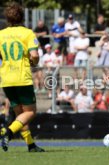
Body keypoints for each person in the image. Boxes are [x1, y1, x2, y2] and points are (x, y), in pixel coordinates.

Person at [0, 2, 44, 152]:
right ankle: (8, 132)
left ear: (7, 18)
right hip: (21, 78)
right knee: (31, 112)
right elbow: (35, 55)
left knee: (20, 114)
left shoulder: (1, 34)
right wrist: (34, 61)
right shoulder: (28, 33)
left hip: (6, 79)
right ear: (22, 17)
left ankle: (30, 145)